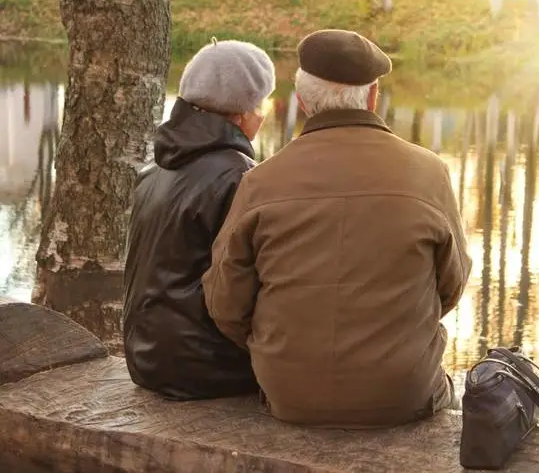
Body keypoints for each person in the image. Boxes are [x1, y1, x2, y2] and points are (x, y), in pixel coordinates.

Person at [202, 29, 472, 427]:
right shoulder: (428, 172)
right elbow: (452, 285)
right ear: (373, 95)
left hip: (289, 393)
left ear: (303, 102)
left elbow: (225, 302)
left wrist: (279, 349)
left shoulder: (261, 180)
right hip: (403, 393)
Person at [123, 39, 275, 400]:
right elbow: (244, 290)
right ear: (241, 114)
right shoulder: (241, 178)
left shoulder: (154, 170)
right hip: (206, 366)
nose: (266, 114)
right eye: (265, 103)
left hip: (144, 355)